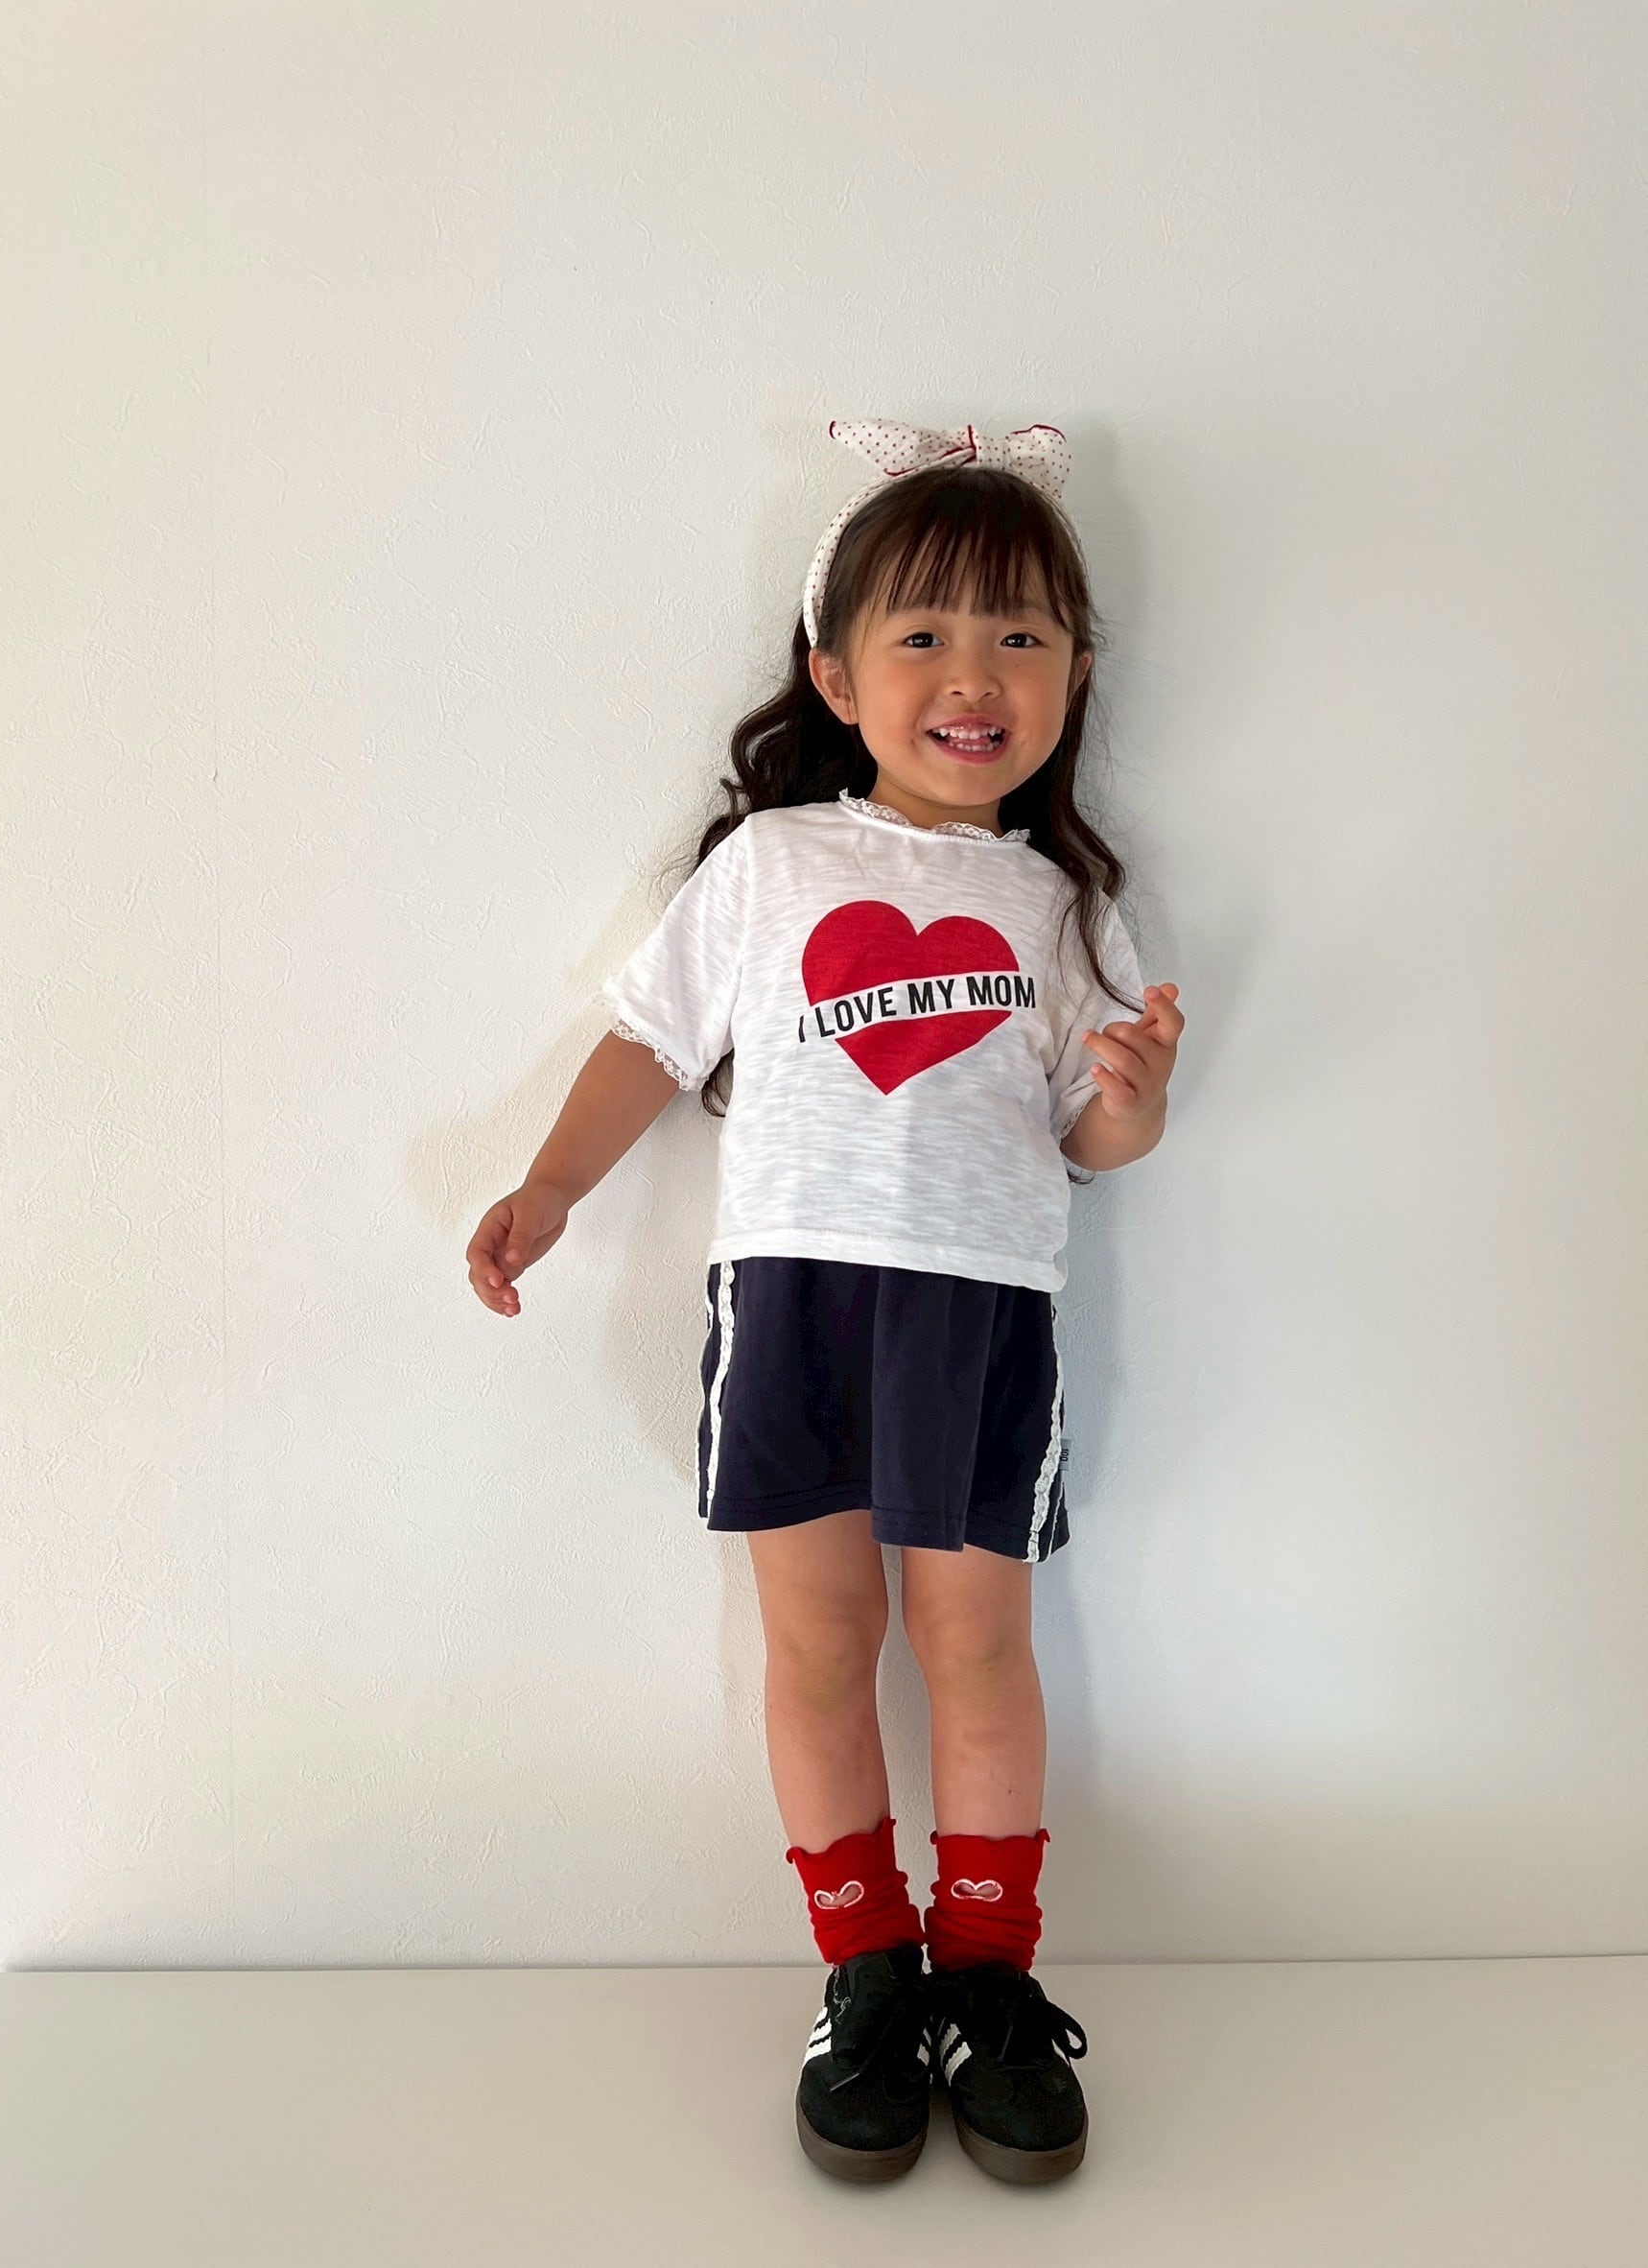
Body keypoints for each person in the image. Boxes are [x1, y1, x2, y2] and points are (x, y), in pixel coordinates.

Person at [466, 417, 1183, 2187]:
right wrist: (551, 1186)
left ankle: (985, 1980)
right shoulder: (773, 865)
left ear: (1072, 677)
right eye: (923, 634)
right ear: (837, 677)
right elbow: (649, 1042)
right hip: (789, 1302)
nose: (973, 674)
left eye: (1019, 635)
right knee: (816, 1643)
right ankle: (864, 1976)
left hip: (979, 1319)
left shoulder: (1064, 907)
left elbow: (1088, 1140)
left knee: (975, 1645)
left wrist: (1132, 1101)